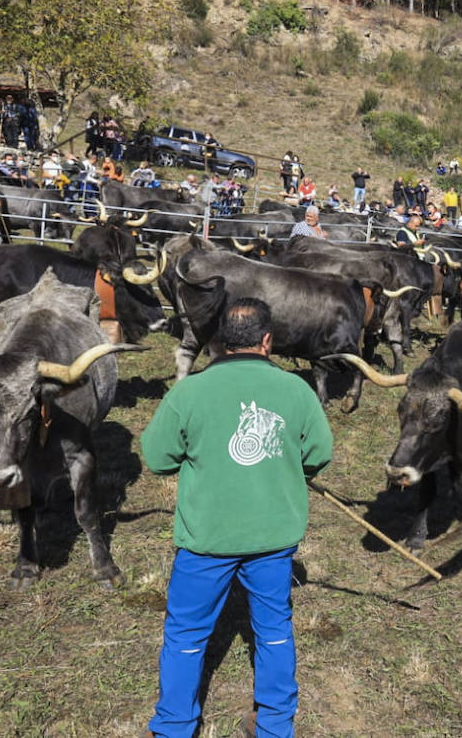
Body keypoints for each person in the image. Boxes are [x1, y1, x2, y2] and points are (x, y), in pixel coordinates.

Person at [142, 298, 333, 738]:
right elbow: (319, 454)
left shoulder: (190, 389)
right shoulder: (297, 390)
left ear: (223, 342)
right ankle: (274, 724)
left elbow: (156, 456)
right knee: (273, 630)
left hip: (207, 537)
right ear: (268, 340)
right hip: (273, 536)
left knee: (186, 634)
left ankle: (173, 725)